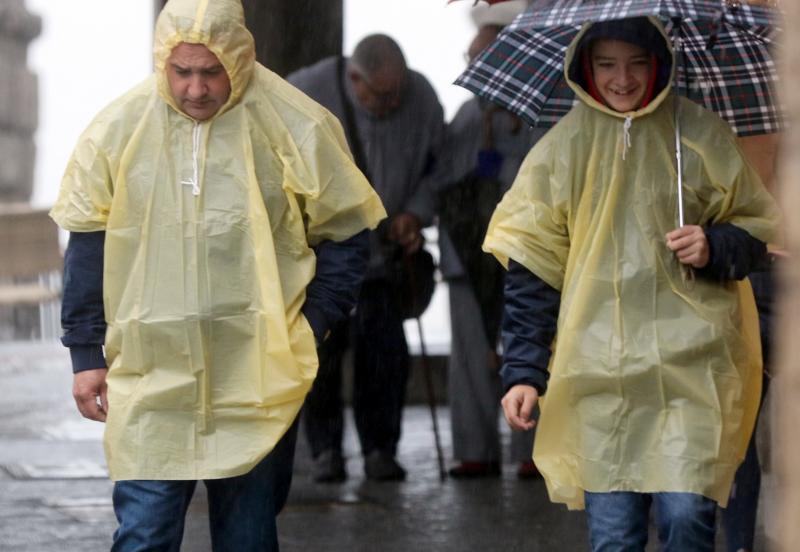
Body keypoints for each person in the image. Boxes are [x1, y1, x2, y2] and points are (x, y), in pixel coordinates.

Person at [49, 0, 386, 549]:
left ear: (240, 58)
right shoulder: (117, 129)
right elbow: (87, 242)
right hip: (149, 369)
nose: (196, 89)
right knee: (144, 534)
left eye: (211, 72)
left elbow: (348, 228)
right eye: (182, 71)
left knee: (248, 537)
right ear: (163, 62)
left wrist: (312, 324)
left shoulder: (294, 122)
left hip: (256, 371)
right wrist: (85, 355)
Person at [486, 17, 780, 551]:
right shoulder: (560, 150)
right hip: (598, 377)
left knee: (688, 515)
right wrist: (523, 371)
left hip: (695, 370)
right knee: (615, 536)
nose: (622, 78)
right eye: (607, 64)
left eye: (637, 63)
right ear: (585, 69)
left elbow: (757, 229)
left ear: (660, 65)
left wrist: (715, 245)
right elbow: (533, 269)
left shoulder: (699, 135)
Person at [287, 34, 444, 482]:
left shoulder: (424, 97)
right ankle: (325, 451)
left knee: (385, 356)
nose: (393, 102)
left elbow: (439, 168)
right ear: (355, 79)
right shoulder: (304, 90)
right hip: (321, 261)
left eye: (398, 90)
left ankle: (380, 450)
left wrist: (416, 211)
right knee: (319, 356)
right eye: (380, 94)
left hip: (383, 260)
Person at [437, 0, 544, 479]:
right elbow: (444, 182)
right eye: (469, 59)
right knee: (468, 358)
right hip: (466, 258)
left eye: (481, 58)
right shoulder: (463, 117)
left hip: (525, 256)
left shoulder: (541, 115)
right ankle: (475, 449)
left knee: (532, 347)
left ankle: (534, 451)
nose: (473, 67)